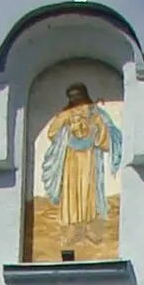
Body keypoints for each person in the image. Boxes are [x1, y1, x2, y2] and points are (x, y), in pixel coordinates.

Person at [36, 84, 122, 247]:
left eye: (77, 96)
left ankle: (89, 227)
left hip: (89, 156)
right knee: (72, 191)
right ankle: (72, 229)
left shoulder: (94, 112)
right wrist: (66, 122)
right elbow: (52, 133)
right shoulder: (66, 114)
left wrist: (96, 122)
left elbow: (108, 133)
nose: (74, 100)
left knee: (88, 190)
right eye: (71, 97)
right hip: (71, 158)